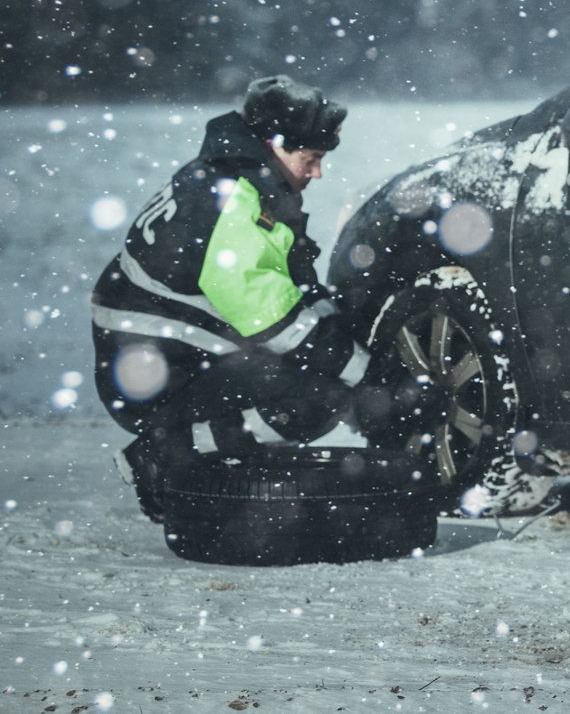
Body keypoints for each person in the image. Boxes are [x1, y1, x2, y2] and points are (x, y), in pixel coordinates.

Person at [91, 75, 375, 523]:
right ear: (275, 145)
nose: (318, 173)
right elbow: (278, 323)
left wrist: (357, 356)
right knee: (317, 398)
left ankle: (198, 457)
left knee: (320, 372)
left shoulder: (238, 181)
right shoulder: (237, 206)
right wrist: (370, 380)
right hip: (153, 382)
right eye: (312, 158)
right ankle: (159, 457)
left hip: (156, 364)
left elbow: (297, 292)